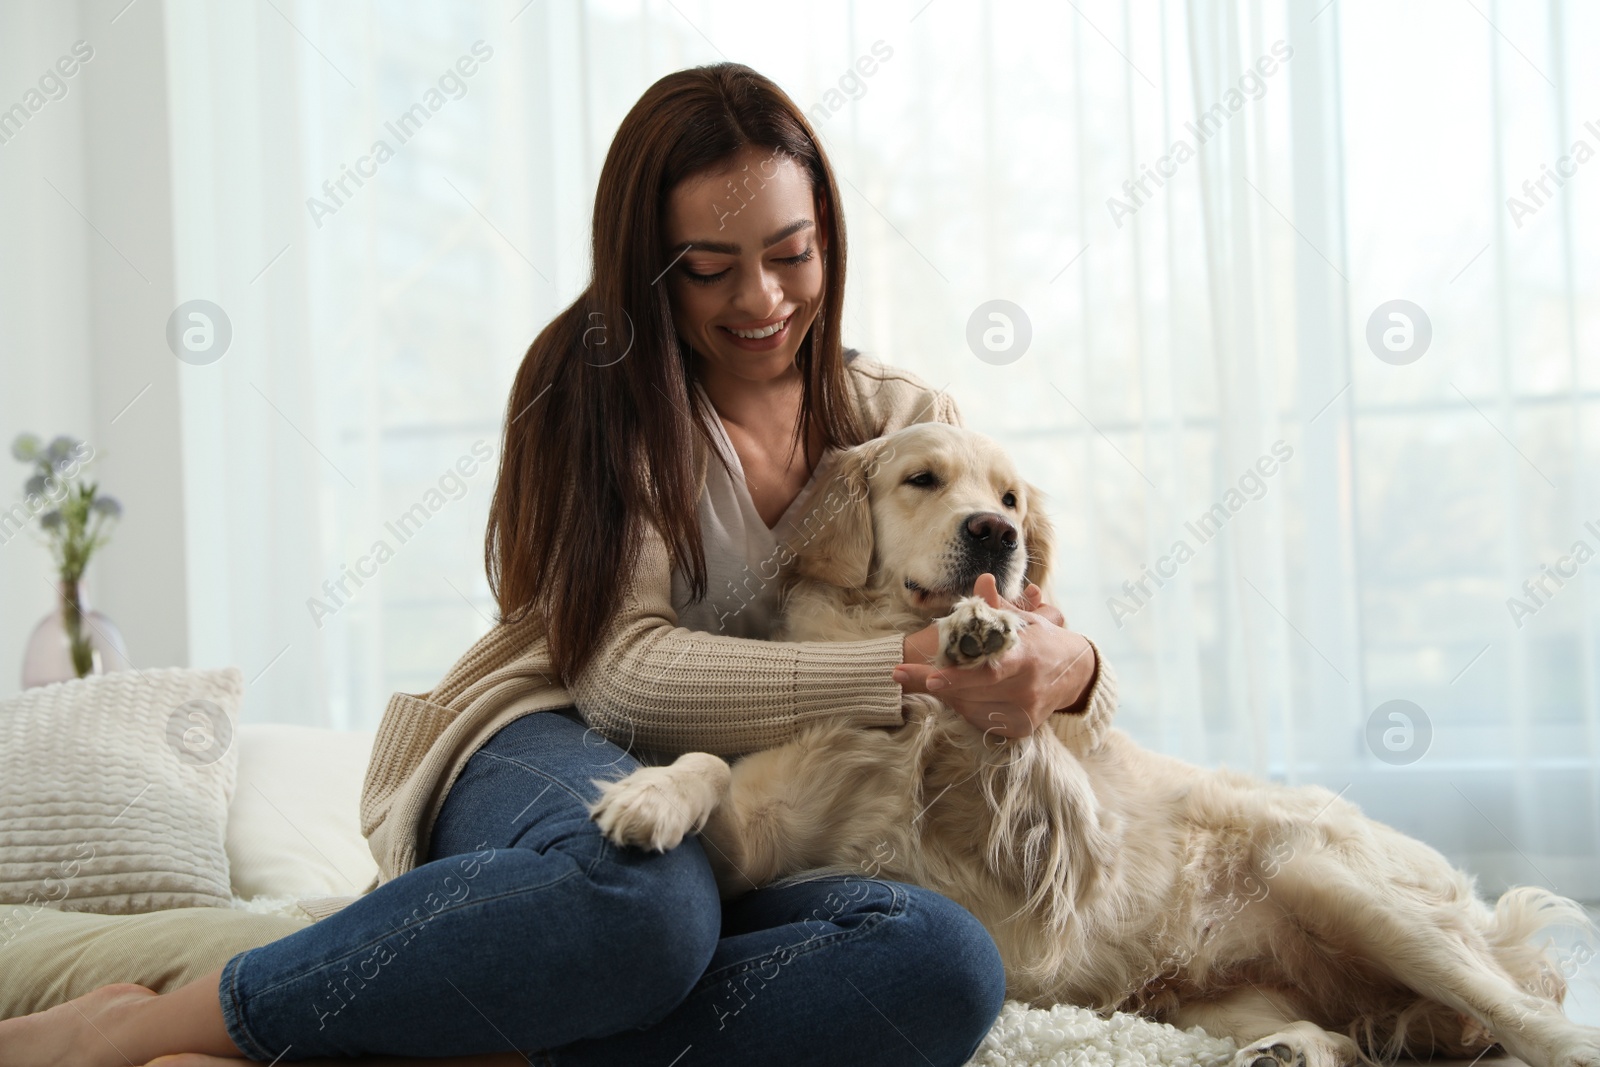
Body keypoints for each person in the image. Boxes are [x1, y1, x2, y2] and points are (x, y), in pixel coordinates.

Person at [0, 62, 1112, 1067]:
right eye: (710, 268)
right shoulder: (599, 394)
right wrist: (905, 669)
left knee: (940, 962)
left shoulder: (908, 421)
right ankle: (137, 1024)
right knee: (650, 909)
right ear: (649, 268)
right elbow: (621, 673)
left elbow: (1017, 633)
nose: (762, 300)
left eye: (791, 254)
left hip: (767, 809)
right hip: (548, 735)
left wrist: (1073, 667)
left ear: (827, 235)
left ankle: (474, 1041)